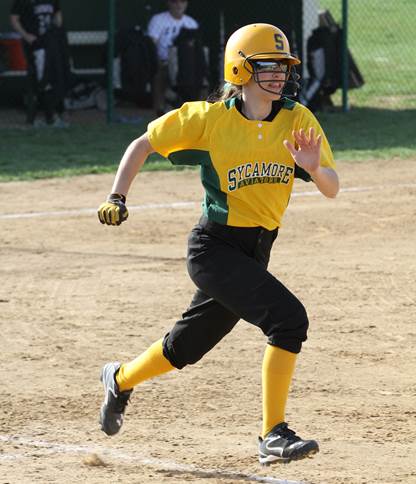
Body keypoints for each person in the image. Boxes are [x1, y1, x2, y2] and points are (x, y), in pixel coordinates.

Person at [97, 23, 339, 466]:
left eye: (283, 66)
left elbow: (331, 186)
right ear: (239, 68)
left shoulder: (298, 119)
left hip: (256, 250)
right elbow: (142, 144)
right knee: (288, 320)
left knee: (186, 347)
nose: (278, 75)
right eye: (266, 66)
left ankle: (121, 378)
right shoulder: (209, 119)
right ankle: (273, 434)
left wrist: (312, 166)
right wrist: (117, 196)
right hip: (213, 247)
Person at [10, 0, 69, 127]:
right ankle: (40, 118)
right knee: (40, 80)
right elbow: (14, 19)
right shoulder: (22, 2)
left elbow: (57, 14)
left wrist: (56, 26)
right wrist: (26, 36)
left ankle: (51, 116)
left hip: (50, 44)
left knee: (51, 78)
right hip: (35, 45)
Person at [147, 0, 198, 116]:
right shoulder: (158, 20)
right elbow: (151, 45)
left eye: (182, 2)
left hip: (185, 64)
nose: (179, 5)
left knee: (200, 75)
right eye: (175, 2)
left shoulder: (191, 23)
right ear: (168, 3)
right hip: (163, 61)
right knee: (159, 72)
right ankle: (158, 110)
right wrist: (158, 61)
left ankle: (195, 111)